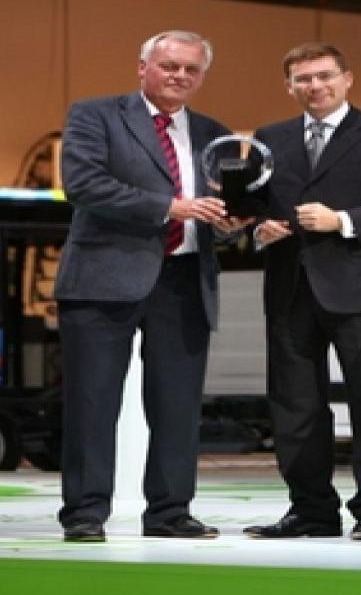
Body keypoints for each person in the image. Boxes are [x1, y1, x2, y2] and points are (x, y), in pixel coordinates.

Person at [54, 30, 253, 543]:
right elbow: (84, 185)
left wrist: (228, 224)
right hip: (103, 277)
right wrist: (171, 207)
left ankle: (169, 512)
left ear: (202, 76)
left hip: (184, 279)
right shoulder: (95, 115)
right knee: (93, 402)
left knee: (178, 406)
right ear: (143, 67)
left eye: (191, 69)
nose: (179, 76)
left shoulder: (215, 134)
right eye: (169, 66)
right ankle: (84, 513)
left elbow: (219, 208)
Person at [243, 42, 361, 540]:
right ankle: (311, 511)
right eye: (303, 79)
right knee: (294, 407)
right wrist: (259, 228)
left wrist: (344, 220)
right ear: (289, 86)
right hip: (289, 287)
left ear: (348, 79)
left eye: (325, 75)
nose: (315, 86)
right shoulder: (269, 139)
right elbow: (252, 208)